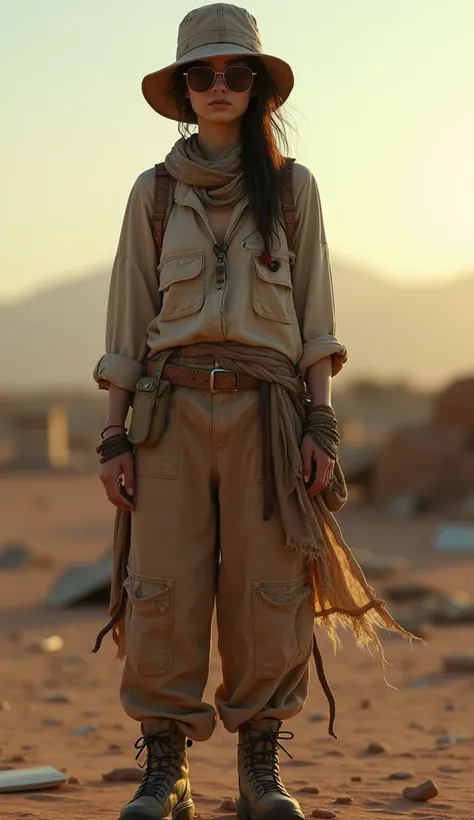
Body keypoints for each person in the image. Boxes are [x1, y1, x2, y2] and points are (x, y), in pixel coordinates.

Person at [93, 5, 410, 820]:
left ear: (259, 88)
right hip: (168, 421)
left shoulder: (295, 190)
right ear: (183, 90)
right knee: (161, 589)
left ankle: (259, 771)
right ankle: (167, 771)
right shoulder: (153, 195)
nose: (219, 87)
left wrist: (321, 426)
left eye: (236, 73)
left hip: (268, 422)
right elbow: (128, 325)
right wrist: (112, 439)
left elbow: (318, 324)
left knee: (269, 594)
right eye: (203, 74)